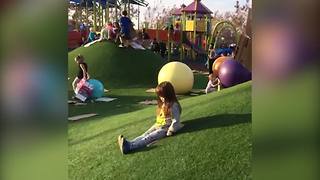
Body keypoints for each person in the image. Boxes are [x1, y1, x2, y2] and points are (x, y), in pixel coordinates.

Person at [118, 81, 184, 154]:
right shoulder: (163, 104)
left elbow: (176, 120)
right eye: (160, 96)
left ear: (168, 94)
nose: (161, 98)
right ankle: (130, 143)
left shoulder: (173, 105)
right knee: (144, 134)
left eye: (163, 96)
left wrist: (171, 130)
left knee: (149, 137)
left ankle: (130, 147)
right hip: (158, 125)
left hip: (165, 128)